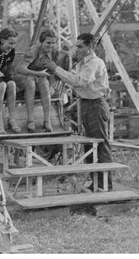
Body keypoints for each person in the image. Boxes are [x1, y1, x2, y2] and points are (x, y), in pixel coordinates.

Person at [43, 33, 113, 191]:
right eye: (76, 46)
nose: (77, 50)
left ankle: (105, 184)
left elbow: (79, 82)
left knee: (100, 145)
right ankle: (95, 182)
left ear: (91, 47)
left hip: (96, 105)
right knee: (89, 145)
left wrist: (56, 68)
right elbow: (75, 79)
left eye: (81, 47)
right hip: (86, 104)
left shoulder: (94, 63)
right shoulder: (82, 64)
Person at [15, 29, 61, 133]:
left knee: (45, 84)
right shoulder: (33, 51)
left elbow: (52, 70)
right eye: (48, 42)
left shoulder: (54, 52)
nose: (51, 45)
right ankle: (30, 120)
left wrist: (51, 86)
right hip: (22, 75)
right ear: (41, 42)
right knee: (31, 83)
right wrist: (38, 74)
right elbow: (20, 69)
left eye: (53, 43)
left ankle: (47, 120)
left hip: (39, 76)